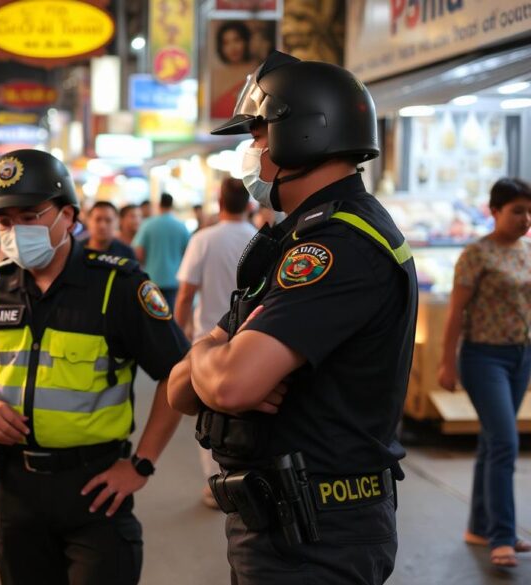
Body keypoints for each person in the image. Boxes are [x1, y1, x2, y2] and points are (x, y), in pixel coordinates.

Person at [166, 51, 418, 584]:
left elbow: (231, 385)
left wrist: (212, 355)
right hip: (282, 523)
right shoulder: (296, 238)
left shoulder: (338, 247)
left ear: (298, 134)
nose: (251, 151)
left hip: (317, 534)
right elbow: (180, 391)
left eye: (257, 136)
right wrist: (211, 355)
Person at [0, 149, 189, 585]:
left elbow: (178, 374)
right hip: (13, 488)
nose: (15, 231)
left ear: (67, 215)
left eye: (29, 216)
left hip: (96, 490)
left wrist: (142, 465)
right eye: (3, 221)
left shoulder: (119, 286)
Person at [437, 177, 531, 568]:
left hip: (520, 356)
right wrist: (446, 361)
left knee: (493, 443)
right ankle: (502, 537)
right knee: (506, 443)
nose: (525, 219)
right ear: (494, 211)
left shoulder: (527, 252)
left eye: (529, 211)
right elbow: (456, 312)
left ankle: (479, 525)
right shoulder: (476, 255)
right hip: (483, 358)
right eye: (517, 211)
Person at [173, 179, 256, 509]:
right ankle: (248, 477)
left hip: (210, 342)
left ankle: (217, 485)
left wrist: (180, 336)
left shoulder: (204, 239)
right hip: (254, 342)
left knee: (209, 416)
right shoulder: (258, 238)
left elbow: (185, 295)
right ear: (248, 203)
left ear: (219, 201)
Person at [133, 193, 191, 308]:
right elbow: (188, 254)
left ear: (159, 205)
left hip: (151, 279)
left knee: (153, 316)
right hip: (175, 279)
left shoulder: (147, 225)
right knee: (170, 315)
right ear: (172, 205)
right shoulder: (181, 226)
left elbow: (138, 252)